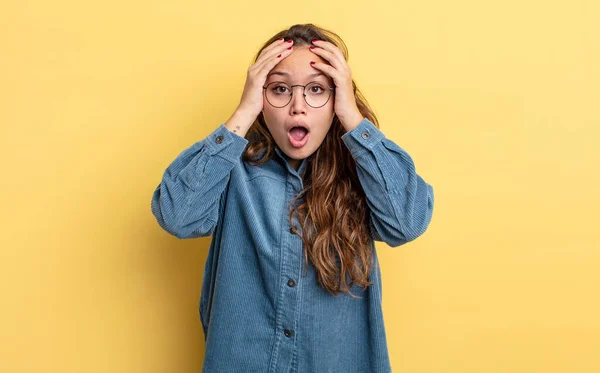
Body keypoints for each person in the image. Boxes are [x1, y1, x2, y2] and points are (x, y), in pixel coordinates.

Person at [151, 23, 434, 373]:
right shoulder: (231, 172)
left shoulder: (361, 174)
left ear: (337, 99)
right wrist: (242, 114)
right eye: (280, 89)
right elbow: (177, 215)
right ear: (260, 99)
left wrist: (352, 118)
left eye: (317, 89)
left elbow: (408, 222)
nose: (297, 106)